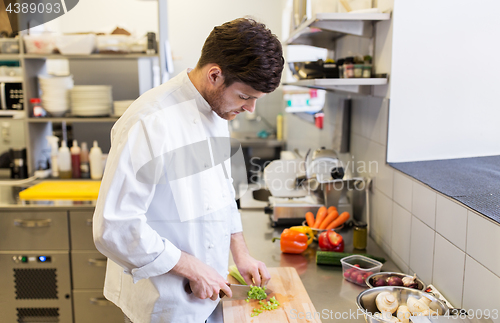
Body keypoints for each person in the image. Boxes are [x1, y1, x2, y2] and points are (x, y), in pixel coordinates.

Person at [92, 18, 284, 323]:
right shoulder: (150, 121)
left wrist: (241, 253)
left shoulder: (218, 109)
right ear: (215, 75)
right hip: (163, 305)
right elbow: (115, 226)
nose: (250, 109)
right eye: (245, 96)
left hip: (210, 297)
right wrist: (191, 267)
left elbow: (222, 192)